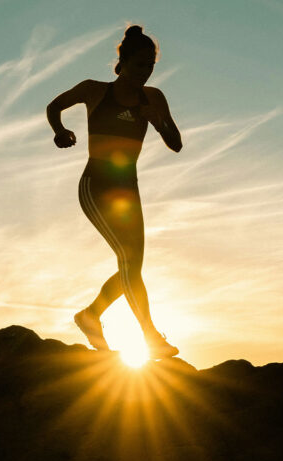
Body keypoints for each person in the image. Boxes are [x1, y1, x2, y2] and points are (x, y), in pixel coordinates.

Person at [46, 25, 182, 359]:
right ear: (122, 62)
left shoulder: (154, 98)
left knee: (131, 264)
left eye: (150, 67)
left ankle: (90, 315)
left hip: (128, 190)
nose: (145, 73)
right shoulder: (94, 90)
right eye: (140, 65)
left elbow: (176, 144)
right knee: (129, 261)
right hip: (96, 184)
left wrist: (157, 121)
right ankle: (150, 337)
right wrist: (60, 131)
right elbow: (55, 106)